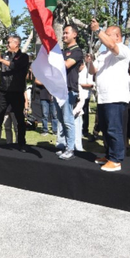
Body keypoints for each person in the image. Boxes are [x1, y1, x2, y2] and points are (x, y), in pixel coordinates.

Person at [86, 20, 130, 172]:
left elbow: (112, 46)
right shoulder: (103, 54)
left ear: (117, 36)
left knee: (114, 128)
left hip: (115, 97)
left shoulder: (123, 50)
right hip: (103, 97)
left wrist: (98, 30)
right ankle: (109, 154)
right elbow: (93, 71)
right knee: (105, 129)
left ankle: (117, 159)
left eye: (108, 34)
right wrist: (90, 62)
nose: (104, 37)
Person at [0, 35, 29, 153]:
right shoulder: (4, 55)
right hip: (3, 91)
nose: (6, 44)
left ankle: (21, 143)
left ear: (16, 43)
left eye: (9, 42)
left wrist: (1, 60)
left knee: (20, 119)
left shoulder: (23, 57)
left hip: (17, 91)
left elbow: (14, 66)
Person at [55, 24, 84, 160]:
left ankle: (70, 148)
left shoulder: (77, 51)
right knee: (61, 120)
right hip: (59, 89)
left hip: (69, 90)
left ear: (75, 34)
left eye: (67, 33)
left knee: (68, 120)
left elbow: (65, 65)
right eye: (64, 33)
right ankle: (65, 145)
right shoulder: (63, 51)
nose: (64, 35)